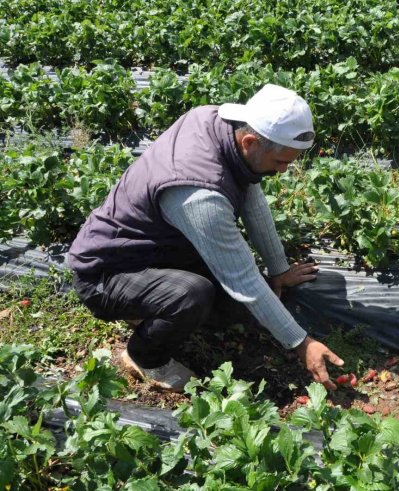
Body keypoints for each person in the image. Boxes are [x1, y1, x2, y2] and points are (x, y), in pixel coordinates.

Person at [67, 84, 344, 392]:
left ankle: (154, 306)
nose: (284, 170)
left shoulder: (215, 124)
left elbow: (252, 197)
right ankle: (145, 356)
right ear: (251, 141)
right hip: (107, 271)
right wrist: (301, 343)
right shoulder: (199, 195)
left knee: (241, 305)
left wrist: (279, 270)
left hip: (155, 247)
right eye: (281, 162)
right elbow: (243, 279)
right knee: (192, 294)